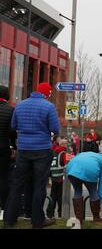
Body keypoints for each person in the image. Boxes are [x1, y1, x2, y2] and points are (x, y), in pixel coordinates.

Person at [4, 83, 60, 229]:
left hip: (23, 149)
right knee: (39, 185)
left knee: (17, 184)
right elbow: (55, 128)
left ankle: (9, 219)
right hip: (42, 149)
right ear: (47, 93)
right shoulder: (49, 107)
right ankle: (37, 220)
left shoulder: (20, 105)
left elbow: (13, 125)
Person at [66, 151, 102, 224]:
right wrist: (100, 200)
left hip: (71, 168)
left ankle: (79, 220)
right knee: (93, 191)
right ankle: (96, 218)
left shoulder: (89, 153)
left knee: (77, 191)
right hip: (90, 169)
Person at [0, 86, 16, 220]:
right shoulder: (10, 110)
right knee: (4, 178)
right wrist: (15, 147)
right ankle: (3, 208)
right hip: (3, 148)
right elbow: (13, 131)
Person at [46, 138, 68, 219]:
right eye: (65, 143)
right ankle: (60, 214)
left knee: (53, 195)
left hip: (53, 177)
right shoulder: (63, 153)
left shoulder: (54, 151)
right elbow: (66, 164)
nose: (66, 144)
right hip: (61, 177)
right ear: (61, 144)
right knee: (60, 196)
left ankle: (50, 213)